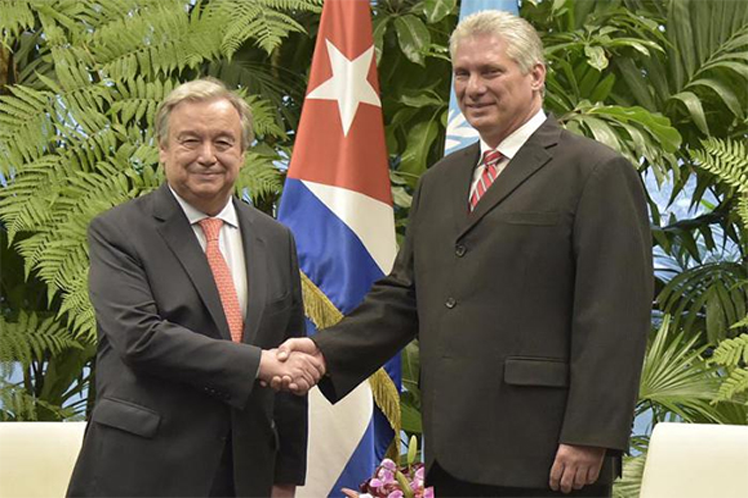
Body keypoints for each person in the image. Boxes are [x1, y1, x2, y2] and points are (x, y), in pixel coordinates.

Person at [274, 10, 653, 498]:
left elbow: (614, 317)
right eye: (462, 73)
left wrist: (591, 435)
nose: (474, 87)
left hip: (549, 454)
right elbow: (404, 296)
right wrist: (325, 351)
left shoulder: (595, 172)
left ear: (535, 76)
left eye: (491, 71)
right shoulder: (442, 180)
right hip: (453, 451)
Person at [67, 78, 323, 498]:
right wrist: (257, 363)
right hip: (142, 472)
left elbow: (288, 359)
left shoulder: (276, 239)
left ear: (242, 153)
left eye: (223, 142)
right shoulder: (119, 231)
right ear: (163, 149)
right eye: (190, 141)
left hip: (246, 474)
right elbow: (140, 338)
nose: (208, 156)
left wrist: (285, 476)